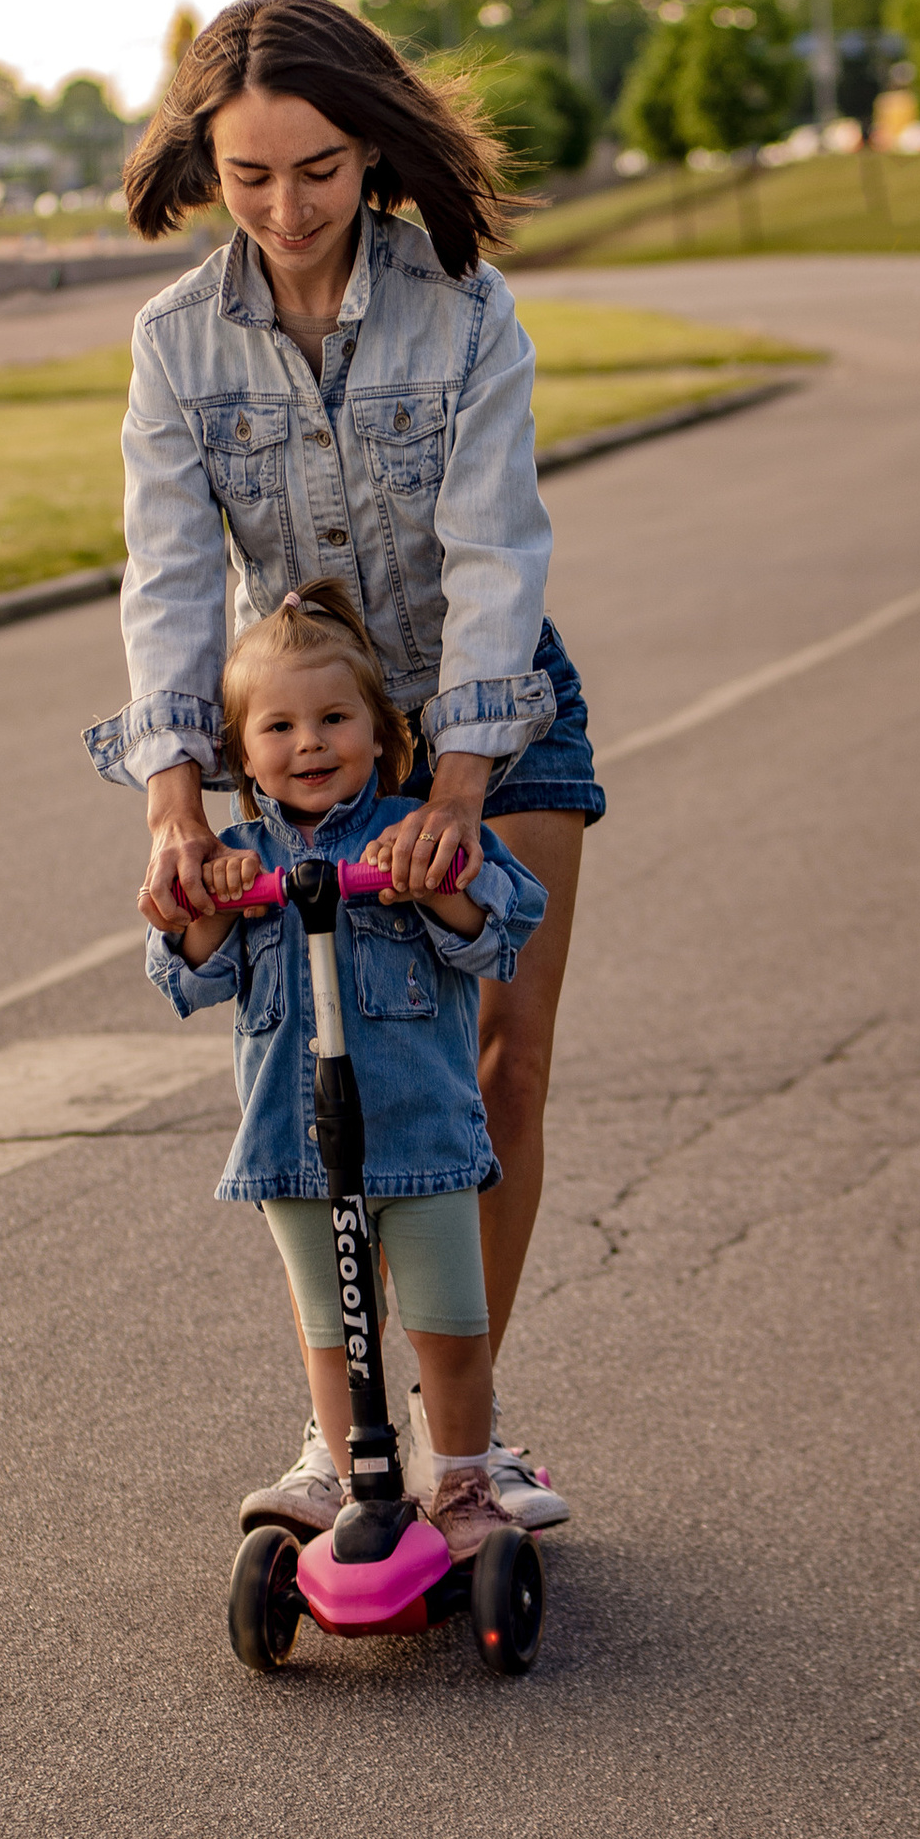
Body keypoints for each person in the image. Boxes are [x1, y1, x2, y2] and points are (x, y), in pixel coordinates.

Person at [82, 0, 603, 1538]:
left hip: (493, 721)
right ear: (206, 167)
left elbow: (494, 544)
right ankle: (354, 1444)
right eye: (248, 176)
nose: (286, 207)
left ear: (368, 149)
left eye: (314, 169)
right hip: (304, 743)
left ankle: (462, 1448)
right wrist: (176, 793)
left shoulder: (463, 310)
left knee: (491, 1068)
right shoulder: (176, 342)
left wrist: (456, 782)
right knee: (335, 1101)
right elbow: (168, 574)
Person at [145, 582, 547, 1563]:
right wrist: (207, 905)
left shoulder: (417, 834)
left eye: (334, 718)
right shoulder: (236, 856)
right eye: (279, 726)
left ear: (382, 733)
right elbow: (185, 976)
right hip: (296, 1143)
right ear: (241, 754)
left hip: (421, 1136)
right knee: (333, 1330)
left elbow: (500, 929)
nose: (310, 743)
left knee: (449, 1324)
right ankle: (348, 1470)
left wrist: (441, 884)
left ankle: (458, 1472)